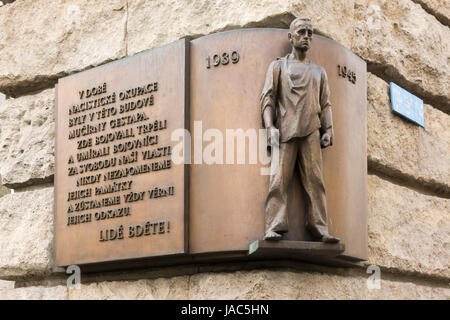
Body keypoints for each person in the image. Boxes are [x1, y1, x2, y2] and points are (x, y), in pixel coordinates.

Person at [260, 18, 339, 243]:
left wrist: (328, 129)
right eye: (301, 32)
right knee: (278, 180)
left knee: (315, 181)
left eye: (310, 33)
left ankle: (320, 228)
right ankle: (274, 225)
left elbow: (326, 103)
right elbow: (268, 98)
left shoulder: (319, 72)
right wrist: (270, 126)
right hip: (284, 132)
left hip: (311, 132)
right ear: (291, 37)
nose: (306, 36)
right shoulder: (278, 67)